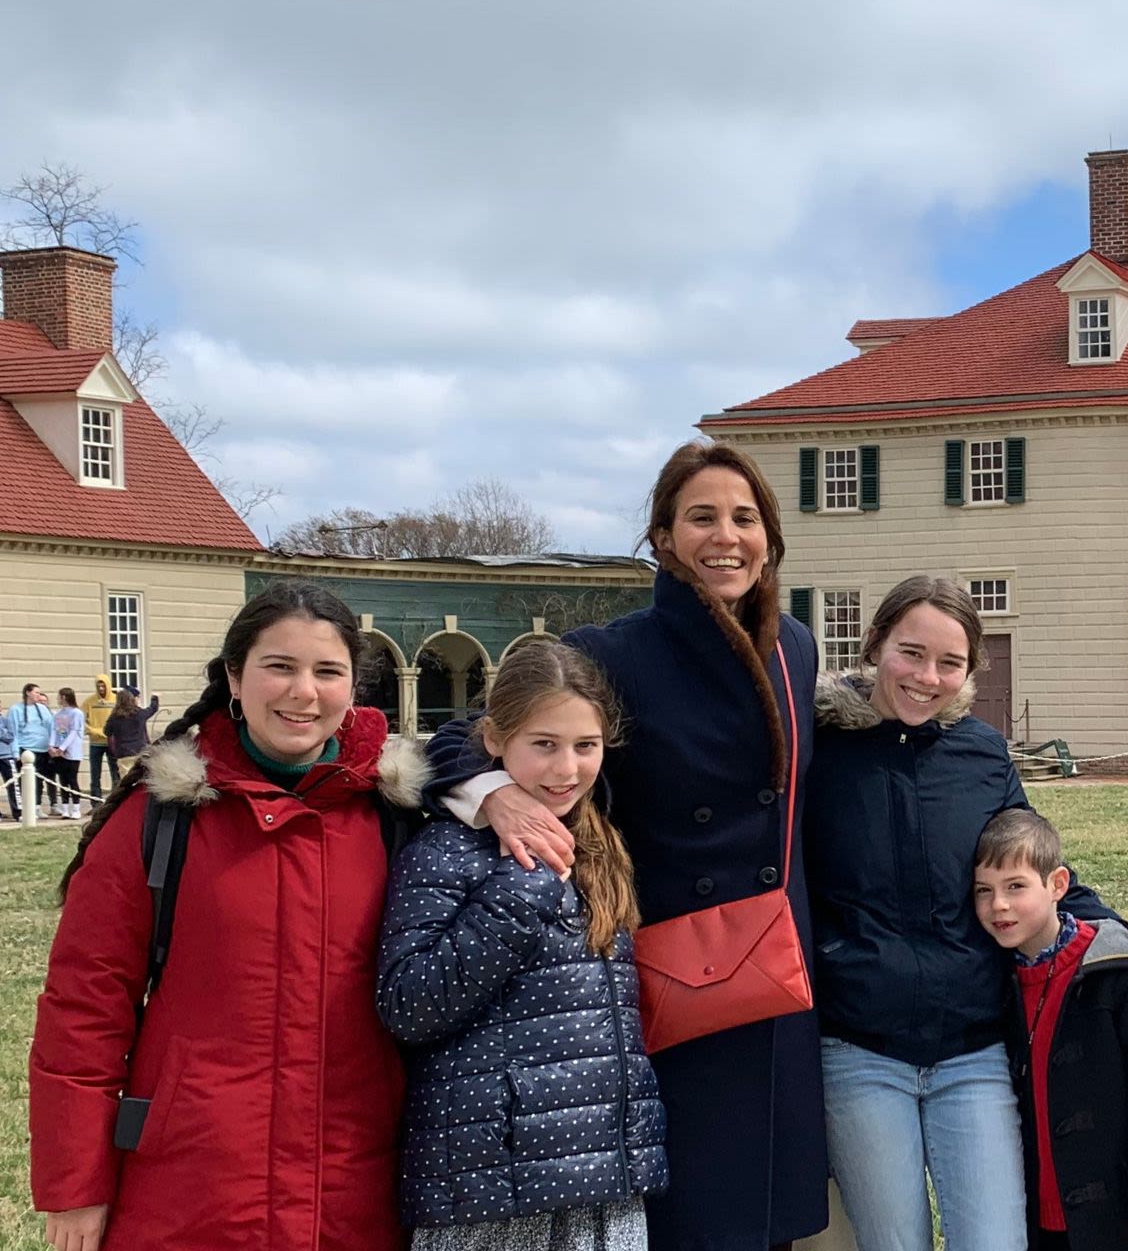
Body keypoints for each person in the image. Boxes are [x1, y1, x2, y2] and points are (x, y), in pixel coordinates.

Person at [425, 440, 828, 1251]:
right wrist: (495, 793)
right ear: (665, 536)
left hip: (781, 970)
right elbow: (465, 735)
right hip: (678, 974)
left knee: (772, 1224)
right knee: (698, 1217)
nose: (726, 536)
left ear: (770, 535)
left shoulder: (794, 645)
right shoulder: (615, 652)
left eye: (745, 518)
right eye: (702, 517)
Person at [28, 579, 424, 1251]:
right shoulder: (159, 819)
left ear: (353, 688)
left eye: (328, 671)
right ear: (235, 679)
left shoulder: (401, 818)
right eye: (280, 666)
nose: (304, 692)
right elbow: (84, 1008)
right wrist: (75, 1187)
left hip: (357, 1190)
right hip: (191, 1194)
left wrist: (493, 789)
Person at [807, 575, 1114, 1251]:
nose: (927, 677)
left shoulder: (981, 754)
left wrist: (1111, 929)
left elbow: (1025, 864)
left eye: (950, 663)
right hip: (860, 1052)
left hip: (972, 1051)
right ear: (874, 645)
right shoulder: (818, 751)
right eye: (910, 654)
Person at [377, 637, 667, 1251]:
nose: (567, 769)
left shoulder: (601, 846)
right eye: (544, 745)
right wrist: (520, 890)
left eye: (585, 747)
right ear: (494, 739)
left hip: (602, 1175)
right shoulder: (445, 851)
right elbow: (408, 1005)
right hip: (491, 1186)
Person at [978, 809, 1128, 1251]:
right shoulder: (996, 984)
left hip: (1121, 1218)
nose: (999, 905)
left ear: (1057, 885)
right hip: (1040, 1222)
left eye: (1015, 886)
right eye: (984, 891)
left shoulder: (1116, 972)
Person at [9, 684, 50, 820]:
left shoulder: (43, 709)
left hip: (42, 749)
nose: (39, 695)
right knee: (25, 780)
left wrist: (52, 745)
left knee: (39, 780)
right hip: (25, 748)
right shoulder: (16, 710)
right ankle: (26, 808)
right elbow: (13, 732)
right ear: (28, 693)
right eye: (36, 692)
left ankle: (37, 806)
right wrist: (15, 752)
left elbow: (51, 727)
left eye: (40, 693)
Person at [102, 688, 160, 780]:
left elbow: (106, 732)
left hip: (123, 753)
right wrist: (154, 698)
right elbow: (153, 708)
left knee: (126, 782)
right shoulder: (139, 713)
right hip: (140, 751)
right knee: (142, 780)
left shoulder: (114, 717)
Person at [48, 687, 84, 817]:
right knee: (63, 780)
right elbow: (55, 730)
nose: (57, 699)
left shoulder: (76, 713)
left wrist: (63, 747)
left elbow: (74, 732)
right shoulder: (59, 714)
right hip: (59, 751)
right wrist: (52, 746)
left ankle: (76, 807)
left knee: (72, 779)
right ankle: (65, 808)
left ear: (64, 697)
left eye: (59, 696)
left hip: (72, 751)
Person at [81, 674, 116, 798]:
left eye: (103, 686)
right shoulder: (89, 702)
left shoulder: (115, 700)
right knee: (95, 774)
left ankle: (115, 799)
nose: (101, 689)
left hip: (112, 742)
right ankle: (95, 800)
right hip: (95, 743)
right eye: (99, 686)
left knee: (115, 772)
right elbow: (81, 721)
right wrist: (94, 731)